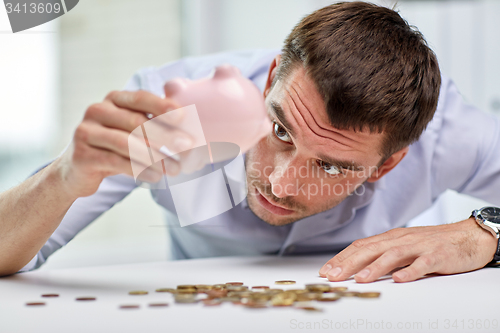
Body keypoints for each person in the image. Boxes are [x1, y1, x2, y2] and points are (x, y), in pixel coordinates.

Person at [0, 1, 498, 282]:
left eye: (331, 166)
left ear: (388, 165)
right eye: (280, 130)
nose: (279, 184)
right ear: (270, 81)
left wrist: (484, 233)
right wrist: (63, 179)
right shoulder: (175, 109)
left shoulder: (452, 138)